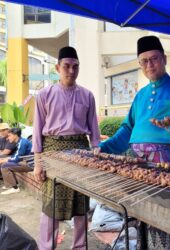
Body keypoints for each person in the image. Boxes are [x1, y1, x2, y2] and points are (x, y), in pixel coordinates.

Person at [96, 36, 170, 250]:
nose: (149, 65)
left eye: (154, 59)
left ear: (164, 59)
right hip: (139, 166)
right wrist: (103, 148)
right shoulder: (140, 96)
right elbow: (127, 129)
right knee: (145, 215)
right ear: (139, 64)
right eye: (144, 61)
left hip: (167, 166)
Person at [32, 46, 101, 250]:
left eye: (75, 66)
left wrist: (96, 149)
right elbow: (37, 131)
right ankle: (46, 247)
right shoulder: (43, 95)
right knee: (51, 205)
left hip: (81, 150)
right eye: (66, 66)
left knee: (81, 204)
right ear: (57, 67)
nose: (71, 71)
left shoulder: (87, 96)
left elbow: (94, 131)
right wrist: (38, 162)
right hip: (52, 151)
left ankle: (80, 247)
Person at [0, 127, 32, 195]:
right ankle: (13, 184)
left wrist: (4, 161)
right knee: (4, 162)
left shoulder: (22, 143)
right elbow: (16, 156)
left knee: (5, 166)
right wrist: (4, 159)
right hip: (26, 162)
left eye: (9, 135)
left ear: (15, 135)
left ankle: (14, 188)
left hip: (30, 165)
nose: (8, 138)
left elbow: (17, 159)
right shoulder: (20, 141)